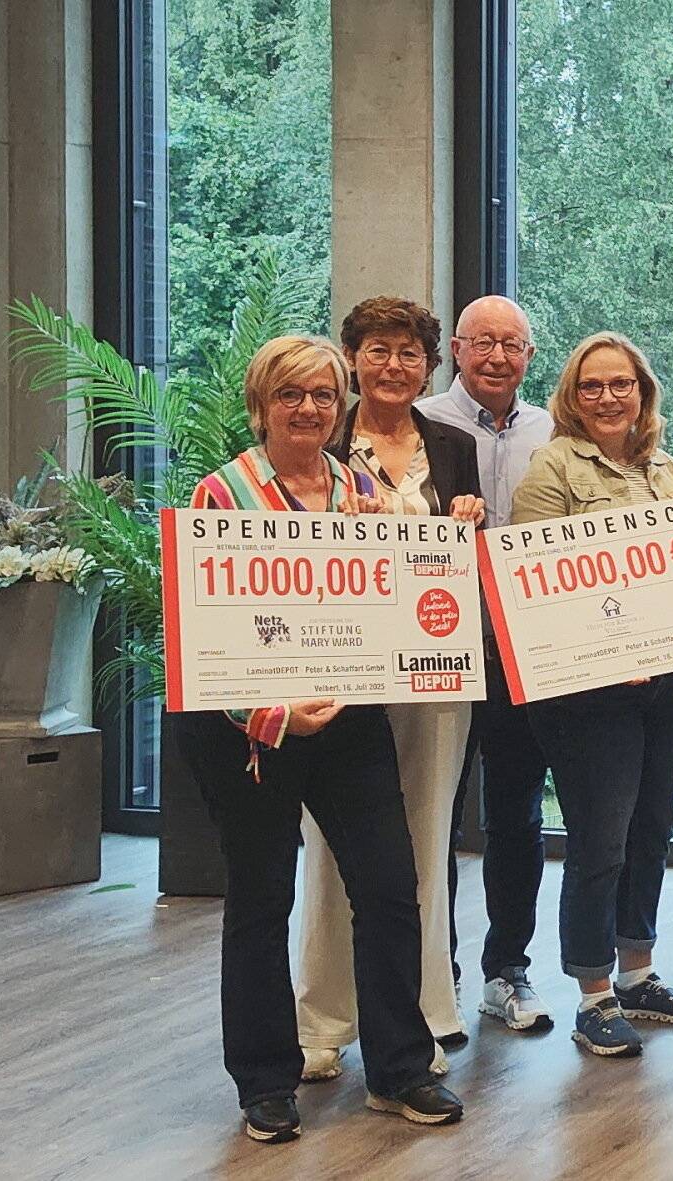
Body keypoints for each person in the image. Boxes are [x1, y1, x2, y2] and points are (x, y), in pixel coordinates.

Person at [169, 334, 462, 1143]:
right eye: (290, 394)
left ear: (341, 407)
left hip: (349, 720)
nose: (308, 408)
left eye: (324, 395)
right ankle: (266, 1082)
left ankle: (400, 1068)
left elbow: (389, 600)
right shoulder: (221, 494)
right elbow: (202, 633)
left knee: (390, 886)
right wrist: (273, 713)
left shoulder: (359, 486)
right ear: (261, 405)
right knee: (262, 899)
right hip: (252, 731)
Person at [293, 299, 486, 1081]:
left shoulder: (454, 446)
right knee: (330, 848)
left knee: (426, 841)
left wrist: (472, 519)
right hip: (341, 671)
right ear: (351, 358)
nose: (394, 366)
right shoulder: (322, 437)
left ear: (430, 366)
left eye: (410, 353)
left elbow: (466, 560)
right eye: (378, 350)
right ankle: (323, 1019)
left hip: (435, 670)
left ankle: (423, 1013)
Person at [510, 331, 673, 1057]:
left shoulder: (665, 466)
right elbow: (536, 583)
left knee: (653, 827)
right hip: (584, 691)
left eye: (620, 383)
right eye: (591, 386)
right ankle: (593, 995)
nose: (606, 397)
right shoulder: (553, 466)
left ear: (642, 391)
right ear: (572, 395)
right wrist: (611, 650)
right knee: (600, 841)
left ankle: (638, 974)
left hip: (659, 681)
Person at [417, 294, 556, 1033]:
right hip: (438, 644)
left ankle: (507, 969)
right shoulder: (422, 424)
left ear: (529, 355)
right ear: (457, 351)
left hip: (521, 647)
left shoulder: (551, 429)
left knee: (517, 812)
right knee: (431, 812)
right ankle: (431, 976)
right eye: (483, 342)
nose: (498, 357)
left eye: (513, 344)